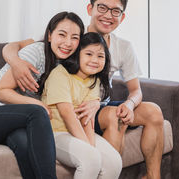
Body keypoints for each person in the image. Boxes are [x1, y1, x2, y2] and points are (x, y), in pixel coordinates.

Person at [3, 0, 164, 179]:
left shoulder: (124, 47)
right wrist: (15, 61)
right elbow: (18, 46)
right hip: (74, 108)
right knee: (115, 117)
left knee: (153, 111)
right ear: (90, 9)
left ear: (122, 17)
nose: (108, 15)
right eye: (102, 8)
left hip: (97, 103)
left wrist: (129, 105)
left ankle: (153, 177)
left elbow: (135, 90)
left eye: (116, 11)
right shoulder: (74, 37)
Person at [0, 11, 85, 179]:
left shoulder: (66, 63)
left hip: (15, 122)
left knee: (25, 145)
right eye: (62, 34)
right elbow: (1, 92)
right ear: (50, 35)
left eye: (75, 37)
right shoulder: (36, 52)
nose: (68, 42)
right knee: (36, 112)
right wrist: (38, 105)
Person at [42, 32, 120, 179]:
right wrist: (89, 149)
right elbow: (67, 114)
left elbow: (87, 118)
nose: (94, 60)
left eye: (100, 56)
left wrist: (90, 145)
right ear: (77, 54)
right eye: (89, 54)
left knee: (114, 163)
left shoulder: (94, 79)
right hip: (54, 133)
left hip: (78, 131)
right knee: (90, 158)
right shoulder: (60, 74)